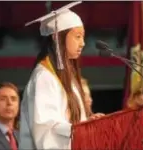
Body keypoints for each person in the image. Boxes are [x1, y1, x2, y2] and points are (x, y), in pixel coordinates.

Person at [18, 2, 104, 150]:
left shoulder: (66, 76)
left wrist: (87, 122)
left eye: (83, 37)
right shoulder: (43, 78)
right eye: (77, 36)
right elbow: (46, 132)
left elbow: (67, 122)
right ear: (57, 37)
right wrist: (82, 130)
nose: (83, 43)